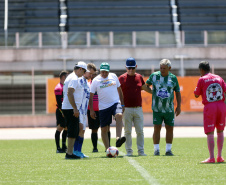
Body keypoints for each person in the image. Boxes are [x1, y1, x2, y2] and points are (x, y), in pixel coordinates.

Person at [146, 59, 181, 156]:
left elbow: (177, 92)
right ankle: (156, 150)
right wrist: (152, 92)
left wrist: (179, 106)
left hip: (169, 109)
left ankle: (168, 150)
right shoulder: (154, 76)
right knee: (157, 128)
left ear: (169, 68)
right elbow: (145, 86)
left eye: (164, 68)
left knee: (170, 128)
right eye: (161, 68)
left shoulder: (173, 78)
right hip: (157, 109)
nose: (162, 70)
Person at [119, 57, 152, 156]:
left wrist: (155, 93)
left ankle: (141, 151)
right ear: (125, 67)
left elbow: (144, 87)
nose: (131, 70)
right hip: (126, 109)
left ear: (136, 67)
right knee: (127, 131)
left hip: (138, 108)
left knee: (140, 131)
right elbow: (116, 92)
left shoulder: (139, 77)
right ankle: (129, 151)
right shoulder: (121, 78)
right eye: (129, 68)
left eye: (132, 68)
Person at [194, 61, 226, 163]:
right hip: (221, 105)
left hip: (210, 106)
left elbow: (196, 94)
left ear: (201, 70)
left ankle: (211, 157)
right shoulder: (219, 77)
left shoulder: (202, 79)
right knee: (220, 130)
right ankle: (220, 157)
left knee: (210, 131)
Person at [89, 62, 125, 151]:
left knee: (119, 115)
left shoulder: (114, 76)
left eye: (106, 72)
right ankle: (107, 149)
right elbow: (91, 96)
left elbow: (120, 91)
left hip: (115, 103)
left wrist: (122, 104)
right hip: (103, 107)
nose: (104, 74)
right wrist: (91, 110)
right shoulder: (96, 80)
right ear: (100, 71)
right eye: (102, 72)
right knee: (104, 129)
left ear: (109, 71)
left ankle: (118, 138)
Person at [62, 61, 87, 159]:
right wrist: (75, 109)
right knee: (73, 131)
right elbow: (70, 93)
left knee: (75, 130)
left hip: (69, 107)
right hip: (71, 108)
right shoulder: (74, 78)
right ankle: (69, 153)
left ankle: (70, 152)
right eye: (84, 71)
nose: (84, 74)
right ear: (80, 69)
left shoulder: (71, 77)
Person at [73, 64, 95, 158]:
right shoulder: (77, 80)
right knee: (79, 129)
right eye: (90, 73)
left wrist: (90, 110)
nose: (91, 76)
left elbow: (88, 97)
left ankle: (79, 151)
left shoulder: (86, 82)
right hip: (78, 110)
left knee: (82, 130)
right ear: (85, 71)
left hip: (84, 111)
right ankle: (74, 151)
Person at [54, 71, 69, 153]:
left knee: (66, 128)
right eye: (67, 76)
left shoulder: (65, 86)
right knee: (60, 128)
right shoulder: (58, 88)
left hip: (65, 110)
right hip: (61, 111)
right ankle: (58, 148)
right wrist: (63, 112)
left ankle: (64, 146)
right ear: (63, 77)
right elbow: (59, 102)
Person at [87, 66, 100, 152]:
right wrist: (91, 110)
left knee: (106, 128)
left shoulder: (101, 84)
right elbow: (88, 98)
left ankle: (108, 146)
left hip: (102, 109)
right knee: (94, 129)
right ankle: (95, 148)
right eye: (92, 74)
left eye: (95, 74)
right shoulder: (88, 85)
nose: (94, 76)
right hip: (91, 110)